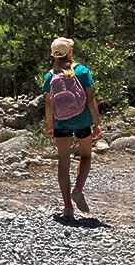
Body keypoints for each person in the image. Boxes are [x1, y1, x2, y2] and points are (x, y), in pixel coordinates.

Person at [43, 37, 103, 221]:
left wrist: (50, 125)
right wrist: (97, 122)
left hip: (60, 123)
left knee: (63, 162)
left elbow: (48, 103)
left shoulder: (50, 76)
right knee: (85, 156)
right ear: (70, 52)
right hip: (82, 122)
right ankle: (78, 189)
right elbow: (90, 99)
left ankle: (68, 208)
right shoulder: (82, 71)